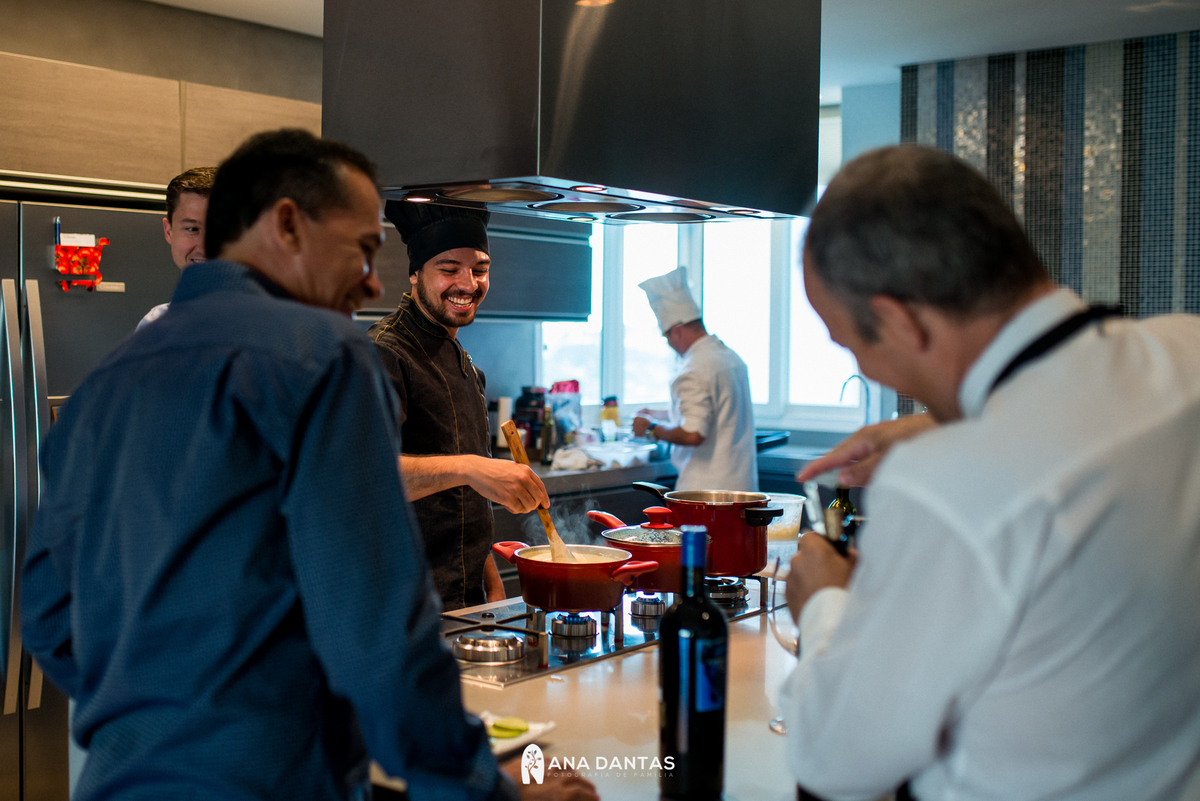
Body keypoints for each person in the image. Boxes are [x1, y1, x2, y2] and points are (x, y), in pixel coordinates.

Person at [21, 129, 596, 801]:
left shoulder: (103, 384)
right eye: (362, 248)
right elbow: (378, 630)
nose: (374, 280)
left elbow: (48, 616)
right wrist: (488, 788)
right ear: (289, 226)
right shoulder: (322, 358)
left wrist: (159, 718)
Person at [781, 144, 1200, 801]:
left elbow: (837, 759)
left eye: (851, 343)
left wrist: (824, 603)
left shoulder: (944, 485)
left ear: (897, 319)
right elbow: (1083, 402)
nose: (861, 365)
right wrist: (934, 423)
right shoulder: (1185, 352)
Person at [368, 201, 549, 610]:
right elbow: (368, 475)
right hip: (403, 603)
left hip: (466, 599)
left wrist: (489, 581)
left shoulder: (464, 363)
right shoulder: (383, 353)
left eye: (480, 270)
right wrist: (471, 467)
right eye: (449, 269)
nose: (467, 283)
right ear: (415, 273)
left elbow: (464, 499)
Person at [631, 266, 758, 491]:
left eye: (666, 337)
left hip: (705, 495)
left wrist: (652, 428)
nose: (669, 344)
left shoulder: (692, 369)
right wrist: (658, 414)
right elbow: (713, 412)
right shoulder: (729, 357)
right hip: (743, 489)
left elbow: (693, 434)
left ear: (676, 331)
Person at [138, 165, 217, 328]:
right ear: (169, 231)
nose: (204, 247)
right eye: (192, 229)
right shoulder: (155, 325)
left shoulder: (269, 322)